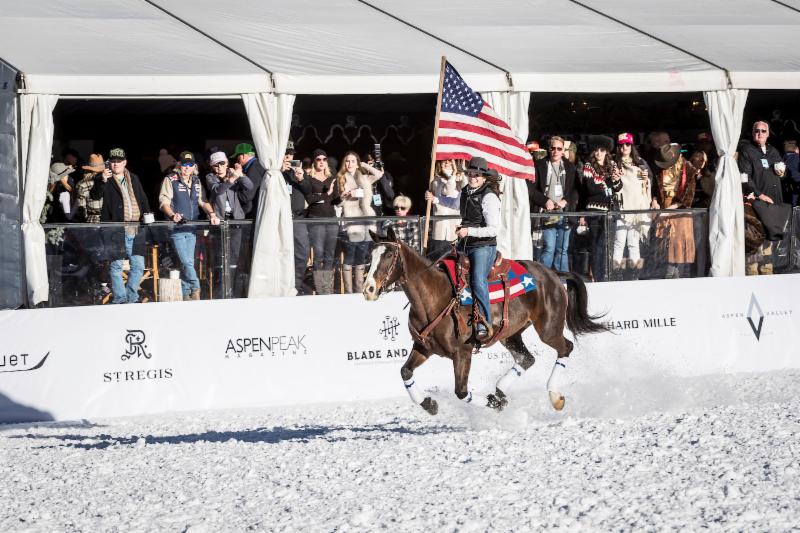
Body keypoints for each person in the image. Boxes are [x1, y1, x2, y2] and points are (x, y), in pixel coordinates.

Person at [90, 147, 151, 304]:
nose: (116, 164)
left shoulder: (134, 178)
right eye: (113, 162)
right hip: (116, 231)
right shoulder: (103, 178)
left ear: (124, 162)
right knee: (116, 266)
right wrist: (101, 179)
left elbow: (143, 199)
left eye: (119, 161)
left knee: (138, 266)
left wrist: (148, 216)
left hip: (136, 230)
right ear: (109, 163)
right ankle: (120, 299)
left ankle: (131, 297)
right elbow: (94, 195)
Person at [159, 151, 220, 300]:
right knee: (186, 261)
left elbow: (203, 202)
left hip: (192, 228)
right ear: (179, 165)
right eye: (184, 164)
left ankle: (186, 293)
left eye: (190, 164)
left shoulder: (197, 181)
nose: (187, 167)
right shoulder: (170, 179)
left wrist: (212, 214)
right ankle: (196, 286)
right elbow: (163, 202)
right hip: (177, 228)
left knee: (188, 262)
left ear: (194, 166)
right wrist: (173, 215)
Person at [456, 157, 501, 342]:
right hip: (465, 244)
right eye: (470, 174)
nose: (473, 177)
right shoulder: (466, 191)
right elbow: (455, 204)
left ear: (484, 177)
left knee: (477, 280)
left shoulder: (489, 196)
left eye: (477, 175)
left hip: (483, 246)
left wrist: (468, 231)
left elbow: (494, 229)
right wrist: (436, 198)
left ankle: (484, 322)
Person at [739, 121, 786, 275]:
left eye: (763, 131)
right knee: (755, 239)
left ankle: (768, 274)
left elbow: (781, 169)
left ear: (768, 133)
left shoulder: (773, 151)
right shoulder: (747, 150)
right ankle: (752, 276)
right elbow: (744, 178)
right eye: (757, 130)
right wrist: (760, 195)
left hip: (773, 202)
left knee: (769, 241)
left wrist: (782, 173)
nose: (760, 133)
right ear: (752, 133)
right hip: (757, 202)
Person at [527, 135, 579, 272]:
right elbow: (531, 189)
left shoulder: (570, 167)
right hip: (547, 213)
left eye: (559, 148)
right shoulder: (539, 165)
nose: (555, 151)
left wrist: (565, 200)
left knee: (562, 249)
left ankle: (563, 281)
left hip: (564, 213)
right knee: (549, 247)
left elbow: (575, 190)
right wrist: (545, 201)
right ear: (549, 149)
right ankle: (545, 278)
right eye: (553, 148)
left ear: (563, 151)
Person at [205, 150, 253, 297]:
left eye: (222, 163)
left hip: (236, 221)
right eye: (216, 165)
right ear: (212, 167)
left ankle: (233, 291)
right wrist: (230, 179)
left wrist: (240, 174)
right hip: (219, 222)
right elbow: (218, 190)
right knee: (221, 258)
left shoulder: (232, 173)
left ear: (227, 163)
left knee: (235, 258)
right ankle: (221, 293)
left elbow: (250, 186)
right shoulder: (210, 177)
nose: (220, 167)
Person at [336, 151, 384, 293]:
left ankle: (358, 291)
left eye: (353, 161)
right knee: (350, 256)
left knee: (361, 257)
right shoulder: (341, 178)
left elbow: (379, 174)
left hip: (366, 222)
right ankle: (349, 292)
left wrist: (363, 164)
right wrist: (344, 196)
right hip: (351, 222)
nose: (350, 164)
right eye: (347, 161)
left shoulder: (364, 178)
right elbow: (337, 203)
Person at [652, 143, 698, 278]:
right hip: (664, 212)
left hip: (679, 213)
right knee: (665, 252)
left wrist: (668, 210)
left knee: (677, 254)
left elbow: (687, 200)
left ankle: (674, 281)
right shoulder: (660, 170)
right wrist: (654, 200)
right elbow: (656, 190)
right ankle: (670, 280)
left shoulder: (688, 169)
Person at [579, 136, 622, 281]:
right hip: (595, 212)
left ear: (606, 151)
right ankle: (598, 277)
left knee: (607, 246)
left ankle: (605, 275)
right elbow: (591, 189)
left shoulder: (613, 165)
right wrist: (609, 182)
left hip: (610, 212)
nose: (599, 153)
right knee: (596, 246)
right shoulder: (588, 166)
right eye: (596, 150)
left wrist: (616, 180)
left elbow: (618, 187)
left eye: (602, 150)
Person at [611, 133, 652, 280]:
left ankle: (636, 275)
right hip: (622, 209)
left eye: (627, 144)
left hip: (636, 210)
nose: (624, 147)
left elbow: (645, 187)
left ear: (631, 146)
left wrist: (646, 180)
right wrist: (615, 176)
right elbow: (614, 187)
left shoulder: (640, 163)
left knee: (634, 244)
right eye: (621, 145)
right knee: (619, 243)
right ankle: (617, 274)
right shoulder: (614, 163)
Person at [304, 149, 338, 294]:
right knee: (318, 256)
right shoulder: (308, 178)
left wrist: (344, 196)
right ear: (314, 162)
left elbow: (335, 199)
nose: (322, 162)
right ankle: (319, 289)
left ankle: (327, 289)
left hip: (331, 219)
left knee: (330, 256)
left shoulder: (332, 177)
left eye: (324, 159)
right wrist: (325, 194)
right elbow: (309, 199)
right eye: (319, 159)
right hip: (316, 220)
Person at [282, 145, 313, 295]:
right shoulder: (274, 172)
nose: (289, 157)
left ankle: (297, 285)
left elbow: (309, 192)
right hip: (280, 219)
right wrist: (279, 171)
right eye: (286, 154)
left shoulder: (299, 173)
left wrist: (301, 178)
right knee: (281, 252)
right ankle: (283, 285)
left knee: (302, 252)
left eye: (291, 154)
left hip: (298, 218)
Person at [426, 159, 466, 259]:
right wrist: (451, 176)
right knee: (438, 261)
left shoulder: (460, 180)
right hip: (441, 229)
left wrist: (461, 171)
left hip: (454, 229)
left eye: (450, 161)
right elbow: (446, 192)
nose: (447, 163)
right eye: (445, 161)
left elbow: (466, 187)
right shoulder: (436, 180)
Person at [231, 142, 267, 219]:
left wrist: (230, 193)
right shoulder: (255, 165)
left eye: (237, 157)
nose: (237, 160)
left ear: (243, 156)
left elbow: (246, 196)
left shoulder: (254, 167)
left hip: (251, 214)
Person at [75, 154, 105, 223]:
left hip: (92, 221)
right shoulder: (107, 181)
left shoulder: (82, 184)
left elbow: (81, 208)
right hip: (108, 221)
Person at [364, 151, 395, 215]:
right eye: (371, 161)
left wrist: (381, 175)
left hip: (381, 214)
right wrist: (369, 170)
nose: (374, 164)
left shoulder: (386, 175)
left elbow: (390, 195)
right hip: (366, 214)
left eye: (376, 162)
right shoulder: (362, 176)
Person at [782, 140, 800, 207]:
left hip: (786, 198)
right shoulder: (796, 158)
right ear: (797, 149)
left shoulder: (782, 160)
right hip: (796, 196)